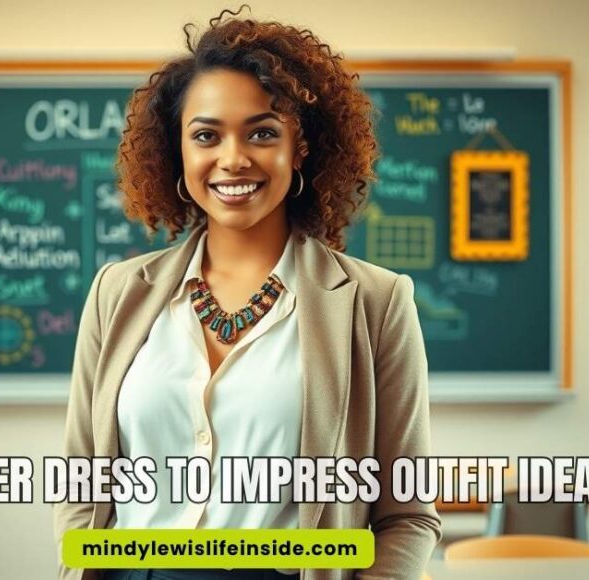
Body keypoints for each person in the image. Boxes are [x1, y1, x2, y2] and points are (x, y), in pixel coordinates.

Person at [54, 7, 441, 580]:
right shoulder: (118, 293)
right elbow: (80, 482)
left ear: (301, 148)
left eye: (262, 132)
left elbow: (408, 513)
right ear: (178, 154)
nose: (233, 158)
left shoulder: (375, 303)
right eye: (206, 135)